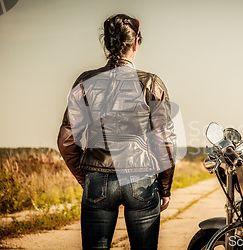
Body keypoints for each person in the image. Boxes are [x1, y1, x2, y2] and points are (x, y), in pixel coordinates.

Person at [57, 13, 176, 249]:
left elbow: (66, 139)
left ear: (107, 44)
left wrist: (86, 177)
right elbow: (165, 143)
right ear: (135, 43)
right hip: (142, 179)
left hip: (97, 179)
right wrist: (164, 187)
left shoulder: (84, 81)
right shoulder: (152, 83)